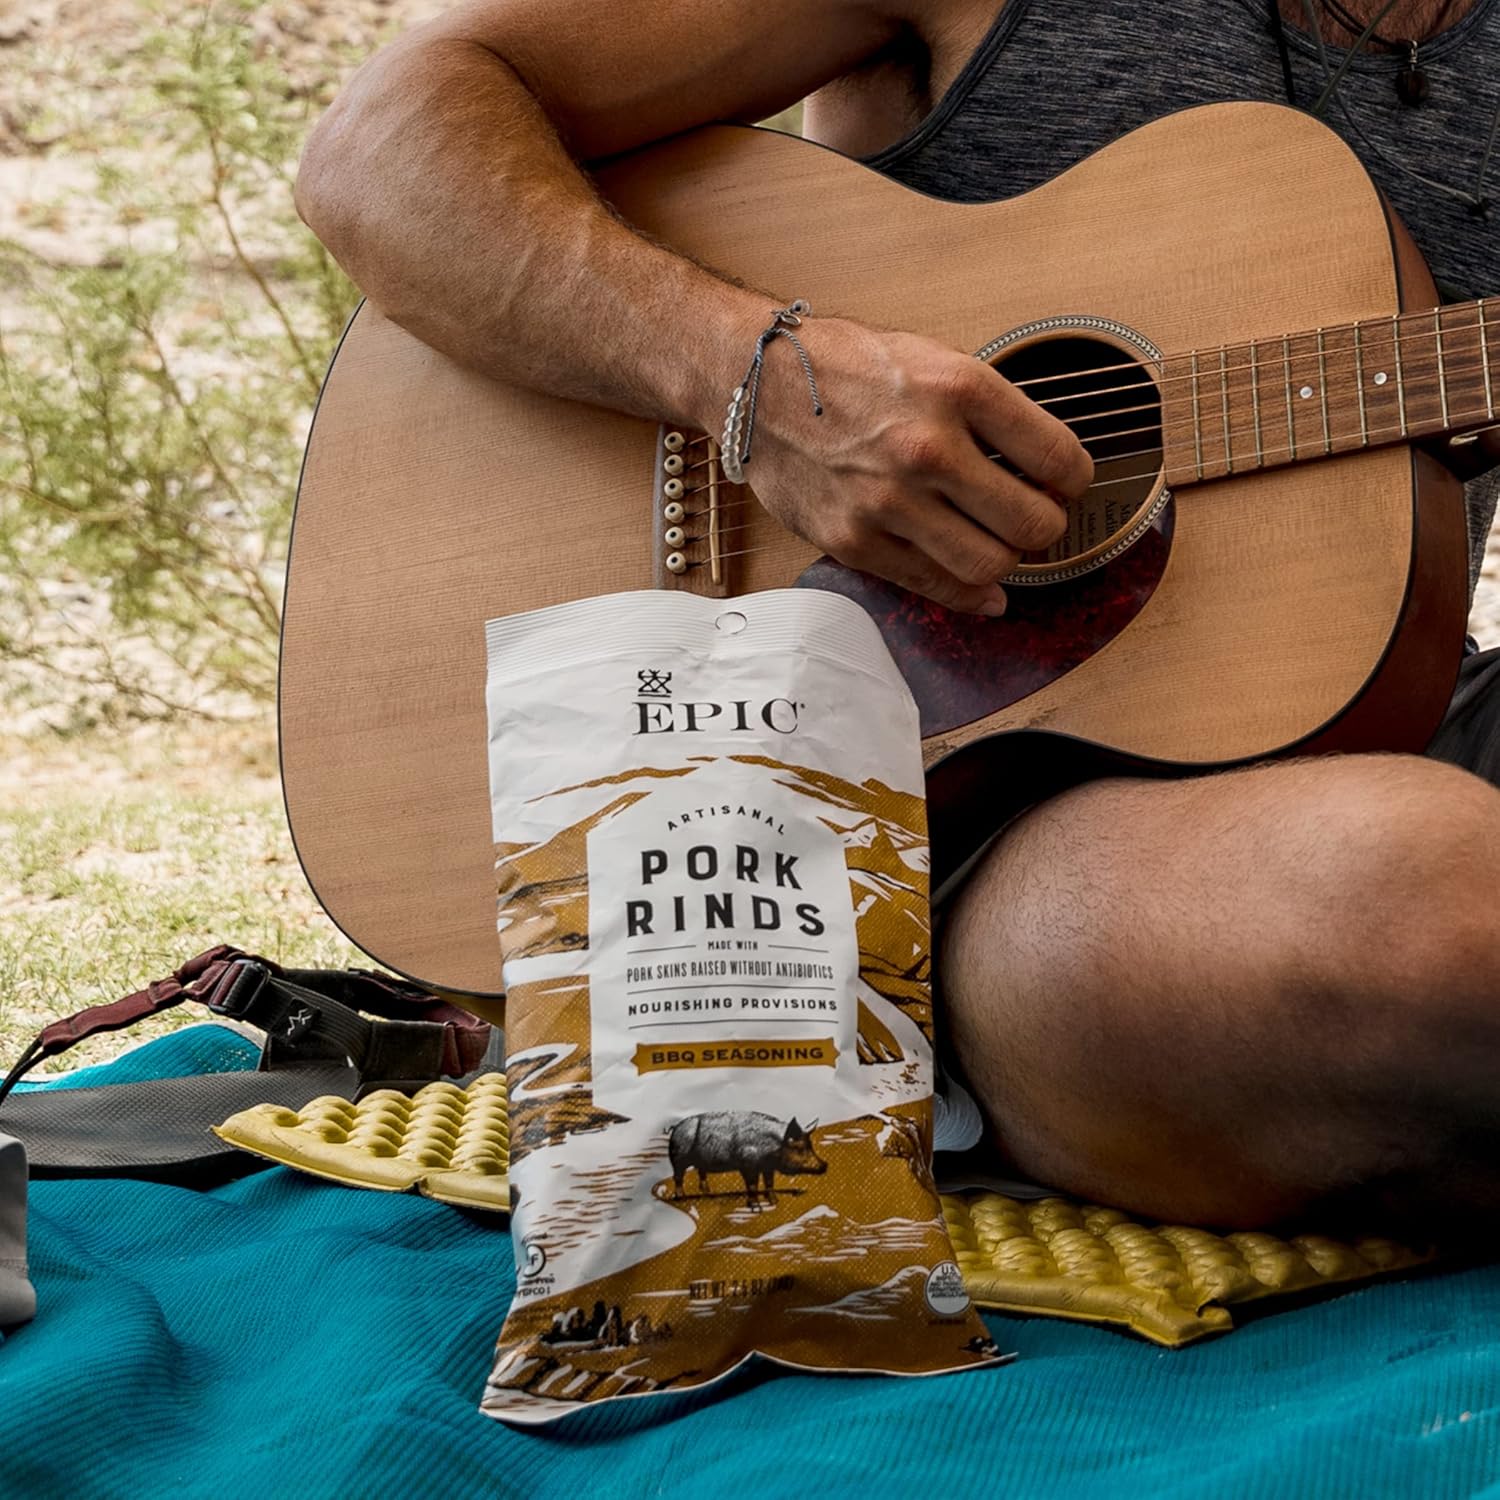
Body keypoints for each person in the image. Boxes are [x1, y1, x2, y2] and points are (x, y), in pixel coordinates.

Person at [294, 0, 1500, 1233]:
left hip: (1366, 706)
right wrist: (752, 378)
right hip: (947, 836)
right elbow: (384, 143)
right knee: (1445, 920)